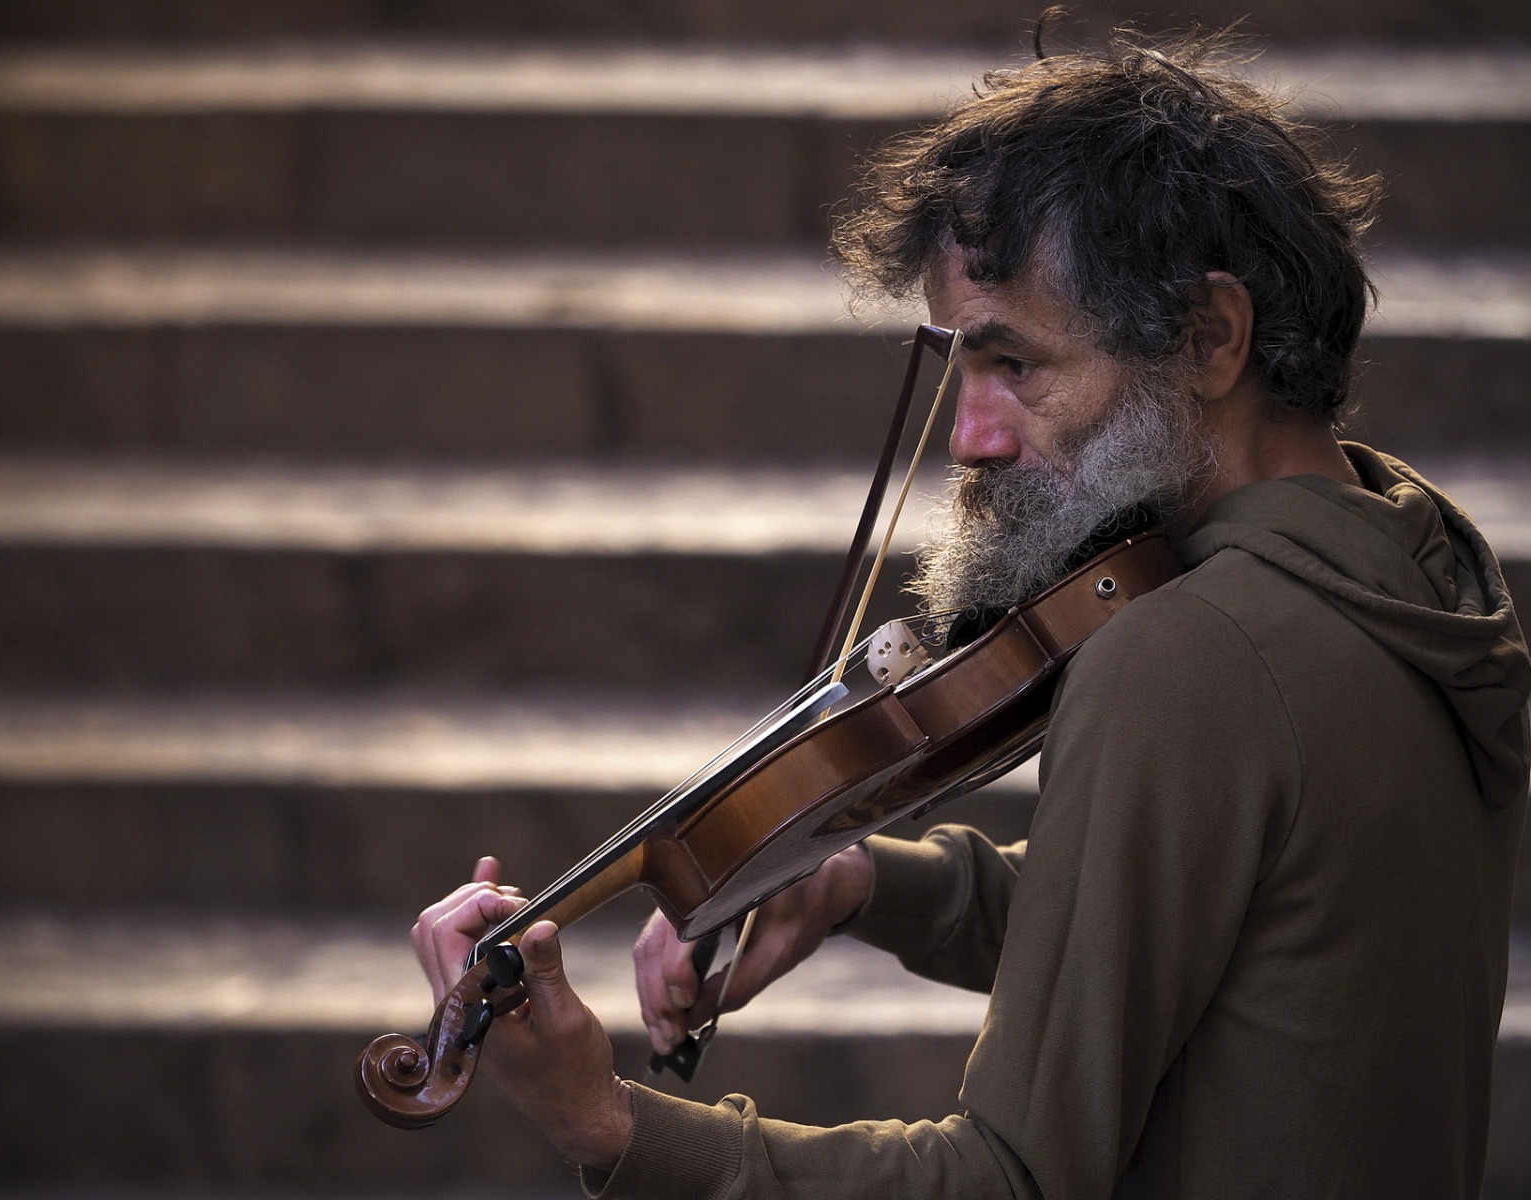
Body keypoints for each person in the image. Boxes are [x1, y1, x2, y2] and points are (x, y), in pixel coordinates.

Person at [410, 29, 1531, 1199]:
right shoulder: (1409, 566)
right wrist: (864, 884)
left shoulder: (1191, 659)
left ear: (1208, 337)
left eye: (1017, 367)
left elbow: (1008, 1181)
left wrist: (606, 1124)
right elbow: (1229, 935)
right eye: (960, 369)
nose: (971, 437)